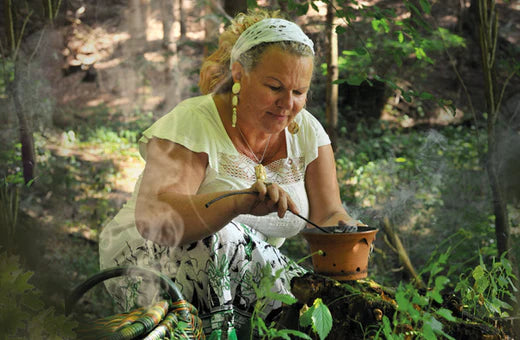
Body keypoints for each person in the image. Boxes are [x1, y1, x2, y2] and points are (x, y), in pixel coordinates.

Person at [99, 9, 362, 338]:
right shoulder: (194, 120)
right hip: (152, 259)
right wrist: (237, 202)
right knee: (223, 235)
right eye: (275, 87)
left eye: (299, 92)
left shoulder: (307, 132)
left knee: (329, 304)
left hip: (240, 270)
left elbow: (329, 214)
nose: (287, 103)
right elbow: (154, 217)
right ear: (239, 73)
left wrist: (351, 235)